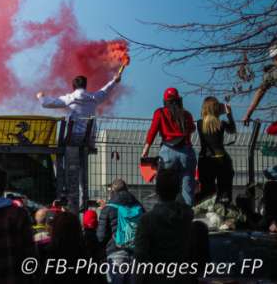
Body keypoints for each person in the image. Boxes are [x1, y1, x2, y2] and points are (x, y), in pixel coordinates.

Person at [37, 70, 122, 209]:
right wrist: (114, 80)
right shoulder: (94, 97)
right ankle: (83, 199)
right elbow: (105, 90)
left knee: (63, 162)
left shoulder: (70, 98)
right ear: (86, 85)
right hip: (88, 139)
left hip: (72, 139)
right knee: (83, 169)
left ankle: (65, 193)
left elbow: (48, 103)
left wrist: (41, 97)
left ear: (73, 86)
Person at [134, 169, 196, 282]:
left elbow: (140, 257)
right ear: (178, 190)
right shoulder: (187, 219)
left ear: (157, 191)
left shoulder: (147, 221)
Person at [141, 88, 196, 205]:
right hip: (186, 151)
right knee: (188, 187)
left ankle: (166, 215)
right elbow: (191, 129)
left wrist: (145, 150)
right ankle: (187, 217)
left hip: (168, 151)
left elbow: (153, 131)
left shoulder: (160, 112)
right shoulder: (186, 114)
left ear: (165, 100)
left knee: (166, 188)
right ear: (178, 100)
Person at [97, 178, 144, 283]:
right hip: (135, 254)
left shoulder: (108, 208)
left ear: (112, 191)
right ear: (127, 190)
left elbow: (100, 236)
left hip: (115, 253)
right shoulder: (139, 207)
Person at [196, 96, 236, 203]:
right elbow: (232, 130)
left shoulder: (199, 123)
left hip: (205, 159)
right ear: (216, 108)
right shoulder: (221, 123)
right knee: (224, 190)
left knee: (207, 191)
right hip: (221, 159)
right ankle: (224, 210)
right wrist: (229, 114)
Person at [242, 39, 277, 125]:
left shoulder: (271, 73)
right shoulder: (271, 73)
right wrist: (248, 113)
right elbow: (260, 91)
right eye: (274, 58)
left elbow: (260, 91)